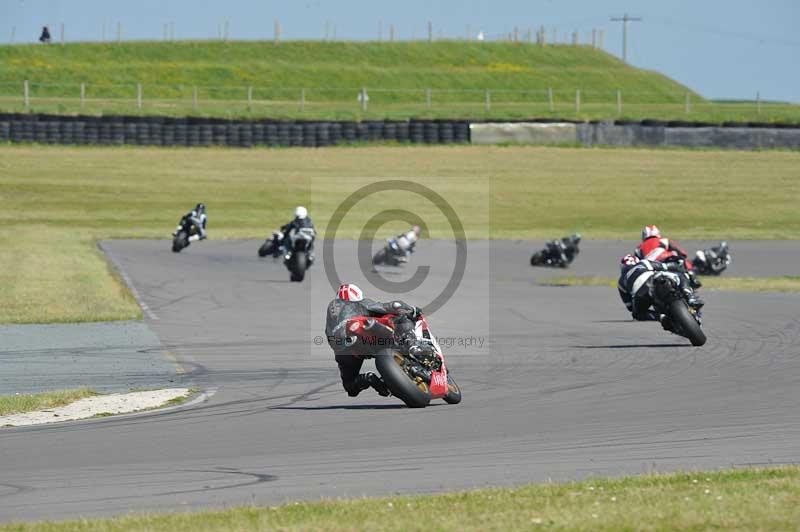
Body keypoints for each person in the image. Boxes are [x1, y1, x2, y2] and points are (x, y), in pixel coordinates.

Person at [325, 283, 432, 398]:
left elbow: (329, 338)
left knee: (350, 386)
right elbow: (391, 306)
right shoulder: (360, 303)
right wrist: (412, 310)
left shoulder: (331, 315)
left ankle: (370, 379)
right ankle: (412, 344)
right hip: (365, 332)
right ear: (357, 295)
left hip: (343, 350)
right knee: (400, 317)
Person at [617, 254, 703, 332]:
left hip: (640, 294)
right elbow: (664, 266)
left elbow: (629, 306)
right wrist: (678, 267)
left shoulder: (620, 282)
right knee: (680, 276)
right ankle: (690, 297)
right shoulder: (643, 263)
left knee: (638, 314)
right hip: (654, 280)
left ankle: (661, 317)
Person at [635, 225, 701, 288]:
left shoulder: (639, 248)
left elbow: (638, 262)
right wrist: (683, 255)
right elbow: (680, 251)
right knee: (681, 259)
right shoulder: (663, 240)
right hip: (667, 260)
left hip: (652, 266)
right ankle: (692, 277)